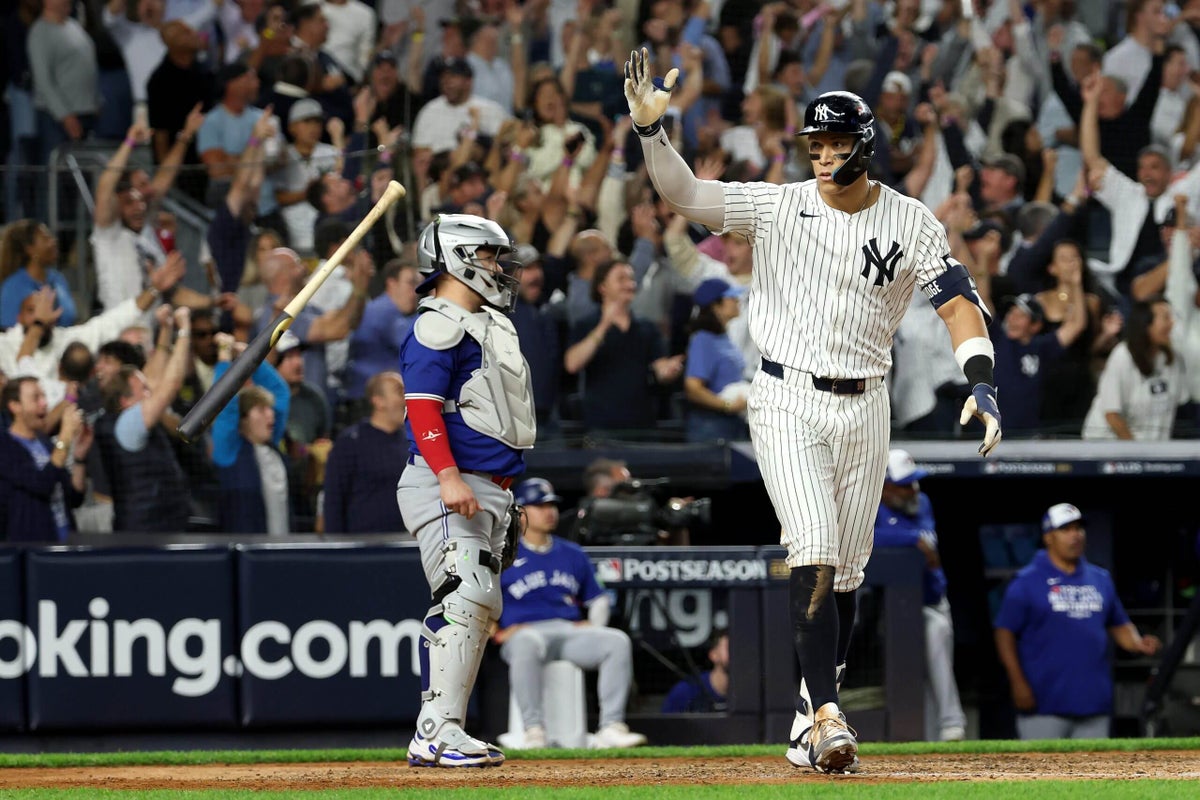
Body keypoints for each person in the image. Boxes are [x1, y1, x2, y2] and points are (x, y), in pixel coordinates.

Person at [624, 52, 1002, 773]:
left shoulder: (911, 219)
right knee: (816, 548)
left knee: (850, 573)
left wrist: (980, 383)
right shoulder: (777, 204)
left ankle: (806, 711)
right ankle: (828, 712)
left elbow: (957, 302)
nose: (825, 157)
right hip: (786, 395)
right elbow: (688, 195)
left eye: (836, 145)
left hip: (867, 404)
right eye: (816, 146)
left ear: (864, 146)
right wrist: (651, 133)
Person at [396, 214, 535, 768]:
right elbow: (422, 409)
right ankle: (434, 730)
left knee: (479, 602)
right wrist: (449, 476)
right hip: (448, 483)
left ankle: (445, 727)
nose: (497, 268)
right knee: (464, 595)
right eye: (487, 256)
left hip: (487, 487)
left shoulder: (484, 322)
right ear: (456, 257)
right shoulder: (438, 325)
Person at [494, 477, 648, 750]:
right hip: (524, 634)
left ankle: (611, 727)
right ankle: (533, 731)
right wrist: (495, 632)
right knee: (527, 642)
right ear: (521, 512)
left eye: (552, 505)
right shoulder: (504, 554)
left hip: (567, 632)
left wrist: (593, 625)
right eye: (540, 505)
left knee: (616, 641)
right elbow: (480, 601)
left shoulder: (572, 553)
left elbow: (597, 599)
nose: (549, 511)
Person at [994, 503, 1162, 739]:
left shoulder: (1100, 578)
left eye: (1079, 529)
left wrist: (1137, 643)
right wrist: (1017, 681)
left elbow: (1118, 623)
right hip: (1044, 704)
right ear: (1048, 537)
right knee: (1043, 774)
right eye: (1066, 529)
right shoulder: (1026, 582)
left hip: (1094, 703)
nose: (1075, 535)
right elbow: (1004, 633)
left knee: (1094, 775)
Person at [873, 449, 967, 742]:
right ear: (882, 486)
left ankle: (934, 737)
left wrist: (915, 542)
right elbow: (862, 538)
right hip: (890, 610)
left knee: (936, 668)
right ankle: (951, 722)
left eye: (914, 482)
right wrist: (911, 540)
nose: (912, 489)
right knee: (932, 639)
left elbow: (928, 546)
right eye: (904, 484)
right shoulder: (869, 507)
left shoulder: (920, 502)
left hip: (934, 598)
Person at [95, 306, 192, 533]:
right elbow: (170, 386)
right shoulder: (128, 423)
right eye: (144, 390)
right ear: (126, 400)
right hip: (146, 532)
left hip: (157, 523)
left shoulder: (121, 415)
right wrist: (184, 331)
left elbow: (155, 379)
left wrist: (166, 330)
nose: (151, 393)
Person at [211, 333, 290, 534]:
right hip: (246, 558)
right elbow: (223, 404)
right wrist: (224, 358)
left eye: (270, 409)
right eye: (261, 409)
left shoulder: (271, 444)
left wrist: (250, 356)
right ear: (243, 418)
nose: (270, 415)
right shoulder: (229, 452)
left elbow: (281, 393)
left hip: (283, 551)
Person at [1081, 296, 1189, 439]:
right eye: (1165, 318)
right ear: (1146, 325)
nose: (1172, 323)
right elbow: (1112, 414)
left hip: (1152, 449)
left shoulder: (1173, 360)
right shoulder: (1122, 356)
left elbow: (1173, 408)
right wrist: (1136, 453)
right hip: (1107, 445)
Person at [0, 377, 90, 542]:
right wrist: (65, 436)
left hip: (64, 541)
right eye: (36, 398)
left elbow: (74, 498)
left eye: (44, 397)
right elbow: (42, 483)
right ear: (15, 406)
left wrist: (79, 458)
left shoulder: (45, 443)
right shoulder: (5, 447)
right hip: (32, 550)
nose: (44, 403)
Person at [321, 371, 408, 534]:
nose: (408, 398)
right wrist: (334, 549)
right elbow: (334, 500)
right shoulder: (350, 442)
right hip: (363, 547)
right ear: (378, 401)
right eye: (400, 392)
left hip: (408, 544)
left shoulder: (414, 443)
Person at [684, 277, 749, 442]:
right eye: (731, 297)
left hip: (733, 424)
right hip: (711, 429)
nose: (736, 301)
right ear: (716, 305)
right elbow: (693, 388)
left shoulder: (723, 337)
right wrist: (727, 405)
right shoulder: (703, 340)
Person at [0, 219, 77, 327]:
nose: (53, 241)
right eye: (46, 239)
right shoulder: (12, 287)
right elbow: (8, 333)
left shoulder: (58, 279)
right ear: (30, 249)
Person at [661, 628, 730, 713]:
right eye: (729, 647)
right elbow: (666, 725)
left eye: (740, 648)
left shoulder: (749, 693)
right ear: (713, 655)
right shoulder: (686, 691)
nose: (736, 653)